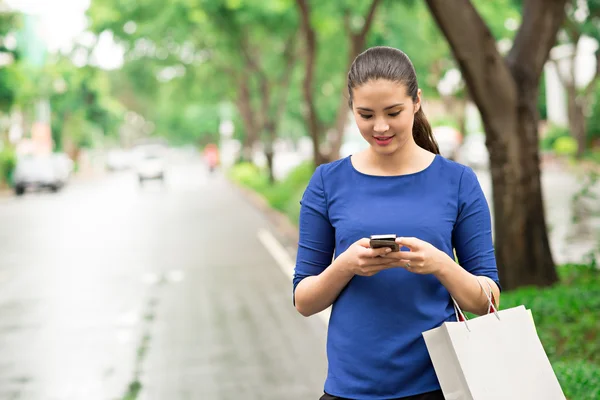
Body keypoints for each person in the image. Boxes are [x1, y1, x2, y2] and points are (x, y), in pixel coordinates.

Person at [293, 46, 501, 400]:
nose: (380, 127)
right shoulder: (328, 182)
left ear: (416, 101)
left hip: (439, 385)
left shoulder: (458, 181)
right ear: (351, 109)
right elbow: (304, 300)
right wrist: (345, 265)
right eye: (366, 114)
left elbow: (488, 300)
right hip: (350, 388)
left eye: (393, 112)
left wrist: (440, 264)